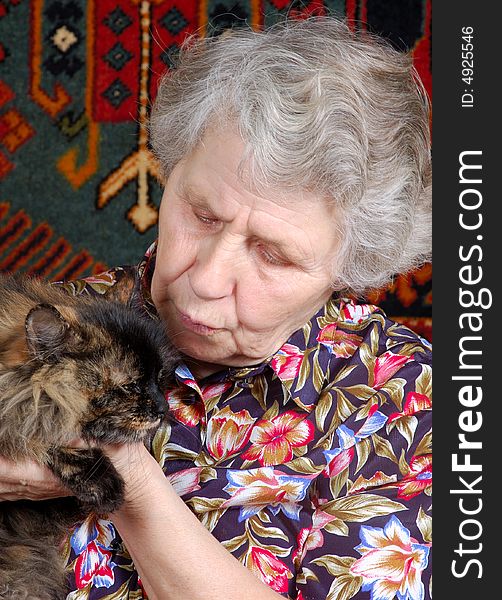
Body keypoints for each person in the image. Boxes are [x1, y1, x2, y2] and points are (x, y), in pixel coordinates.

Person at [0, 17, 432, 600]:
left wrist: (123, 473)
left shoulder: (412, 407)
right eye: (201, 215)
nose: (203, 281)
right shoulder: (51, 321)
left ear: (353, 267)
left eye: (272, 256)